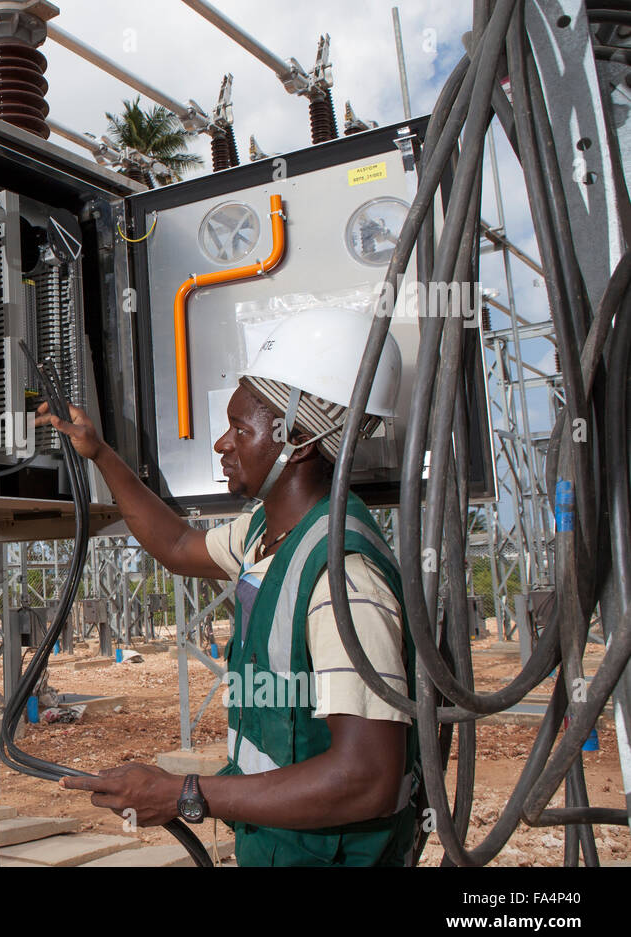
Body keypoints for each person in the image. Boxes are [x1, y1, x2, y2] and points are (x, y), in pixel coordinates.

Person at [40, 307, 421, 867]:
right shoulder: (269, 534)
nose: (221, 443)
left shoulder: (342, 579)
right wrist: (99, 452)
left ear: (299, 441)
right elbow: (175, 546)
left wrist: (183, 794)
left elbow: (367, 780)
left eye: (240, 428)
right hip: (279, 847)